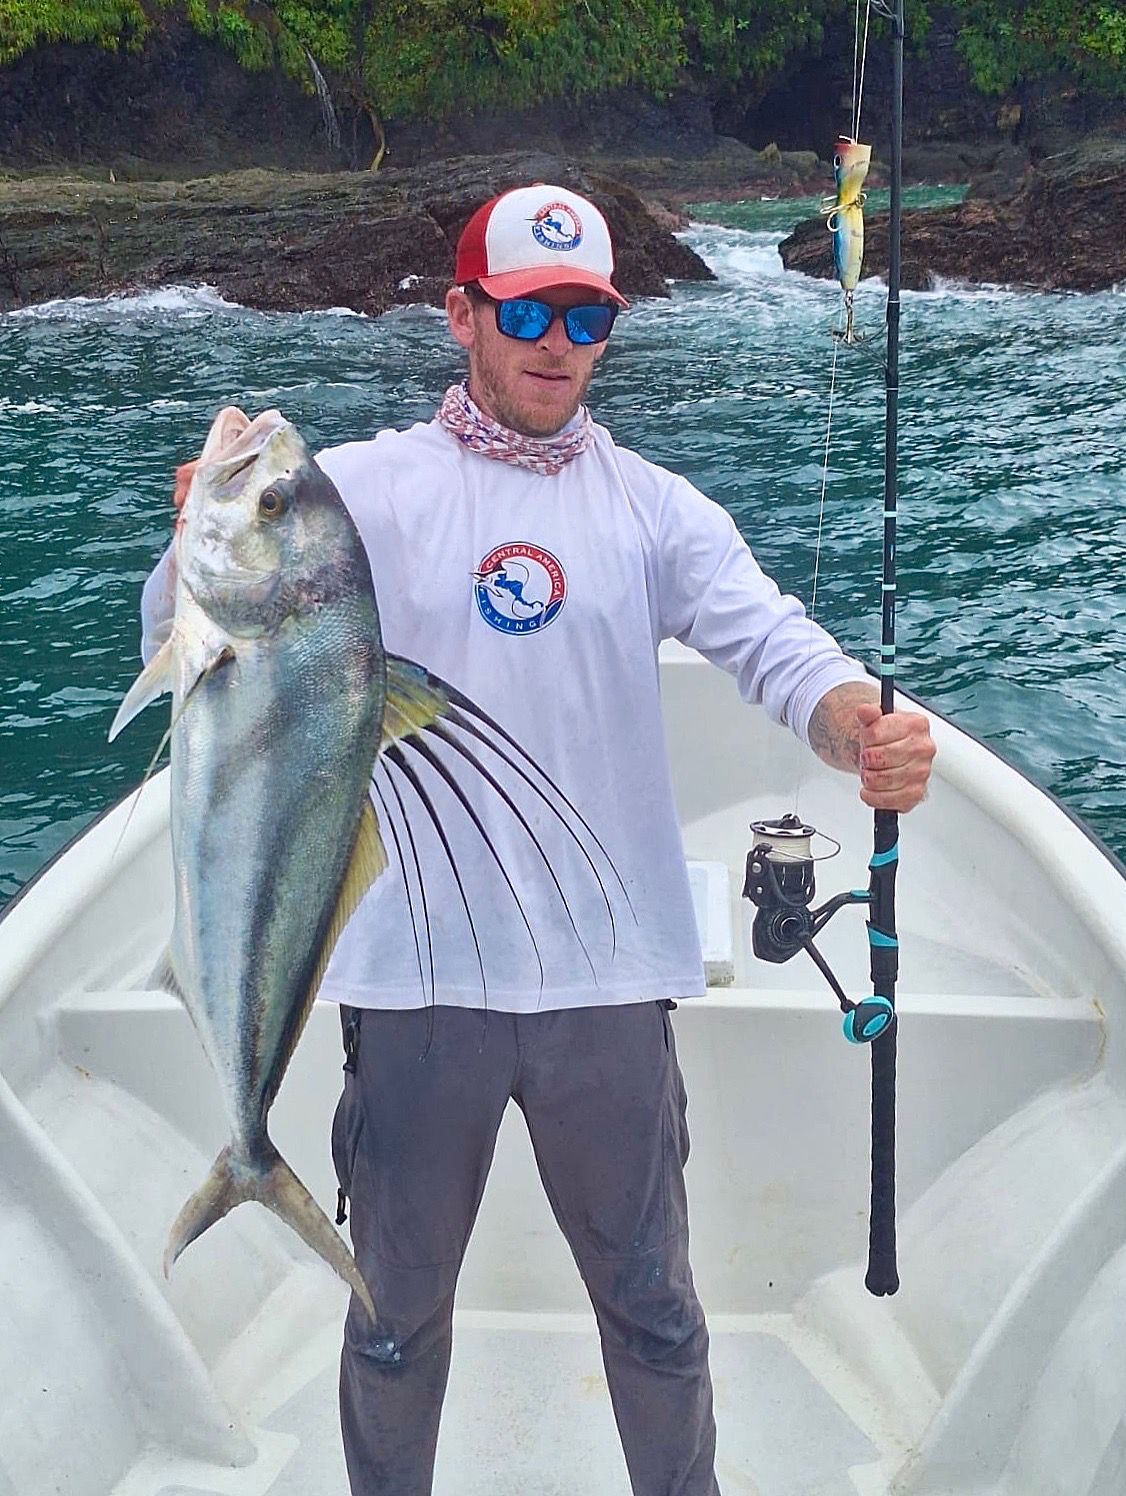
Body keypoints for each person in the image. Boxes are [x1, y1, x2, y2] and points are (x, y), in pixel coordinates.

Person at [153, 182, 935, 1496]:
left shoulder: (653, 507)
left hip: (607, 987)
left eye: (585, 316)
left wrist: (853, 719)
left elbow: (768, 640)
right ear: (464, 315)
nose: (556, 342)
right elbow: (199, 648)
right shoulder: (362, 491)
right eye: (527, 311)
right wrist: (181, 545)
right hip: (415, 987)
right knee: (392, 1327)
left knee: (657, 1314)